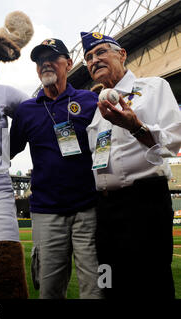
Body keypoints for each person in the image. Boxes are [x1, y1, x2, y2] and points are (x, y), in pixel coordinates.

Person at [81, 31, 181, 299]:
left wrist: (135, 127)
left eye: (101, 52)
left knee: (151, 285)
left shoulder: (154, 87)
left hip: (144, 203)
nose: (94, 60)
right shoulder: (96, 107)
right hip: (105, 208)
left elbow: (174, 141)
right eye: (89, 57)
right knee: (109, 284)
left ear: (122, 54)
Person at [10, 38, 103, 299]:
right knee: (48, 290)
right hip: (47, 212)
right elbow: (6, 152)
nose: (45, 64)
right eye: (40, 61)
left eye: (53, 58)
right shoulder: (26, 110)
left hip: (89, 209)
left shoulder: (88, 101)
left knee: (96, 288)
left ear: (69, 63)